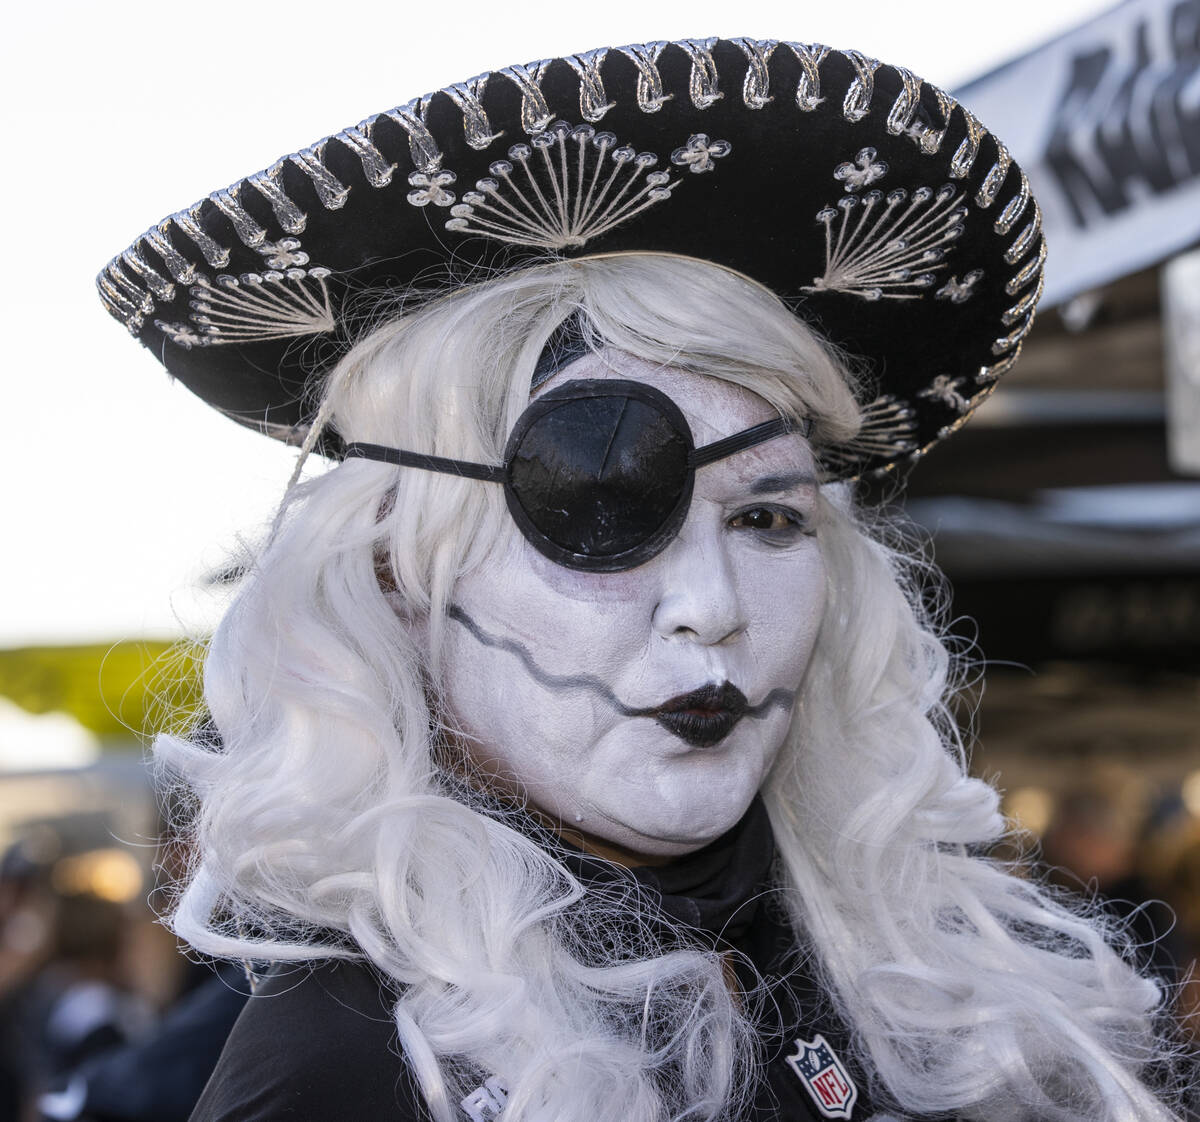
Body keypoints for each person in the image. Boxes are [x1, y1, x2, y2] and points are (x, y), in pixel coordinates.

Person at [97, 37, 1192, 1122]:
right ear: (399, 577)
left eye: (768, 518)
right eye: (600, 508)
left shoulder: (940, 998)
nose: (711, 608)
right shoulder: (352, 1074)